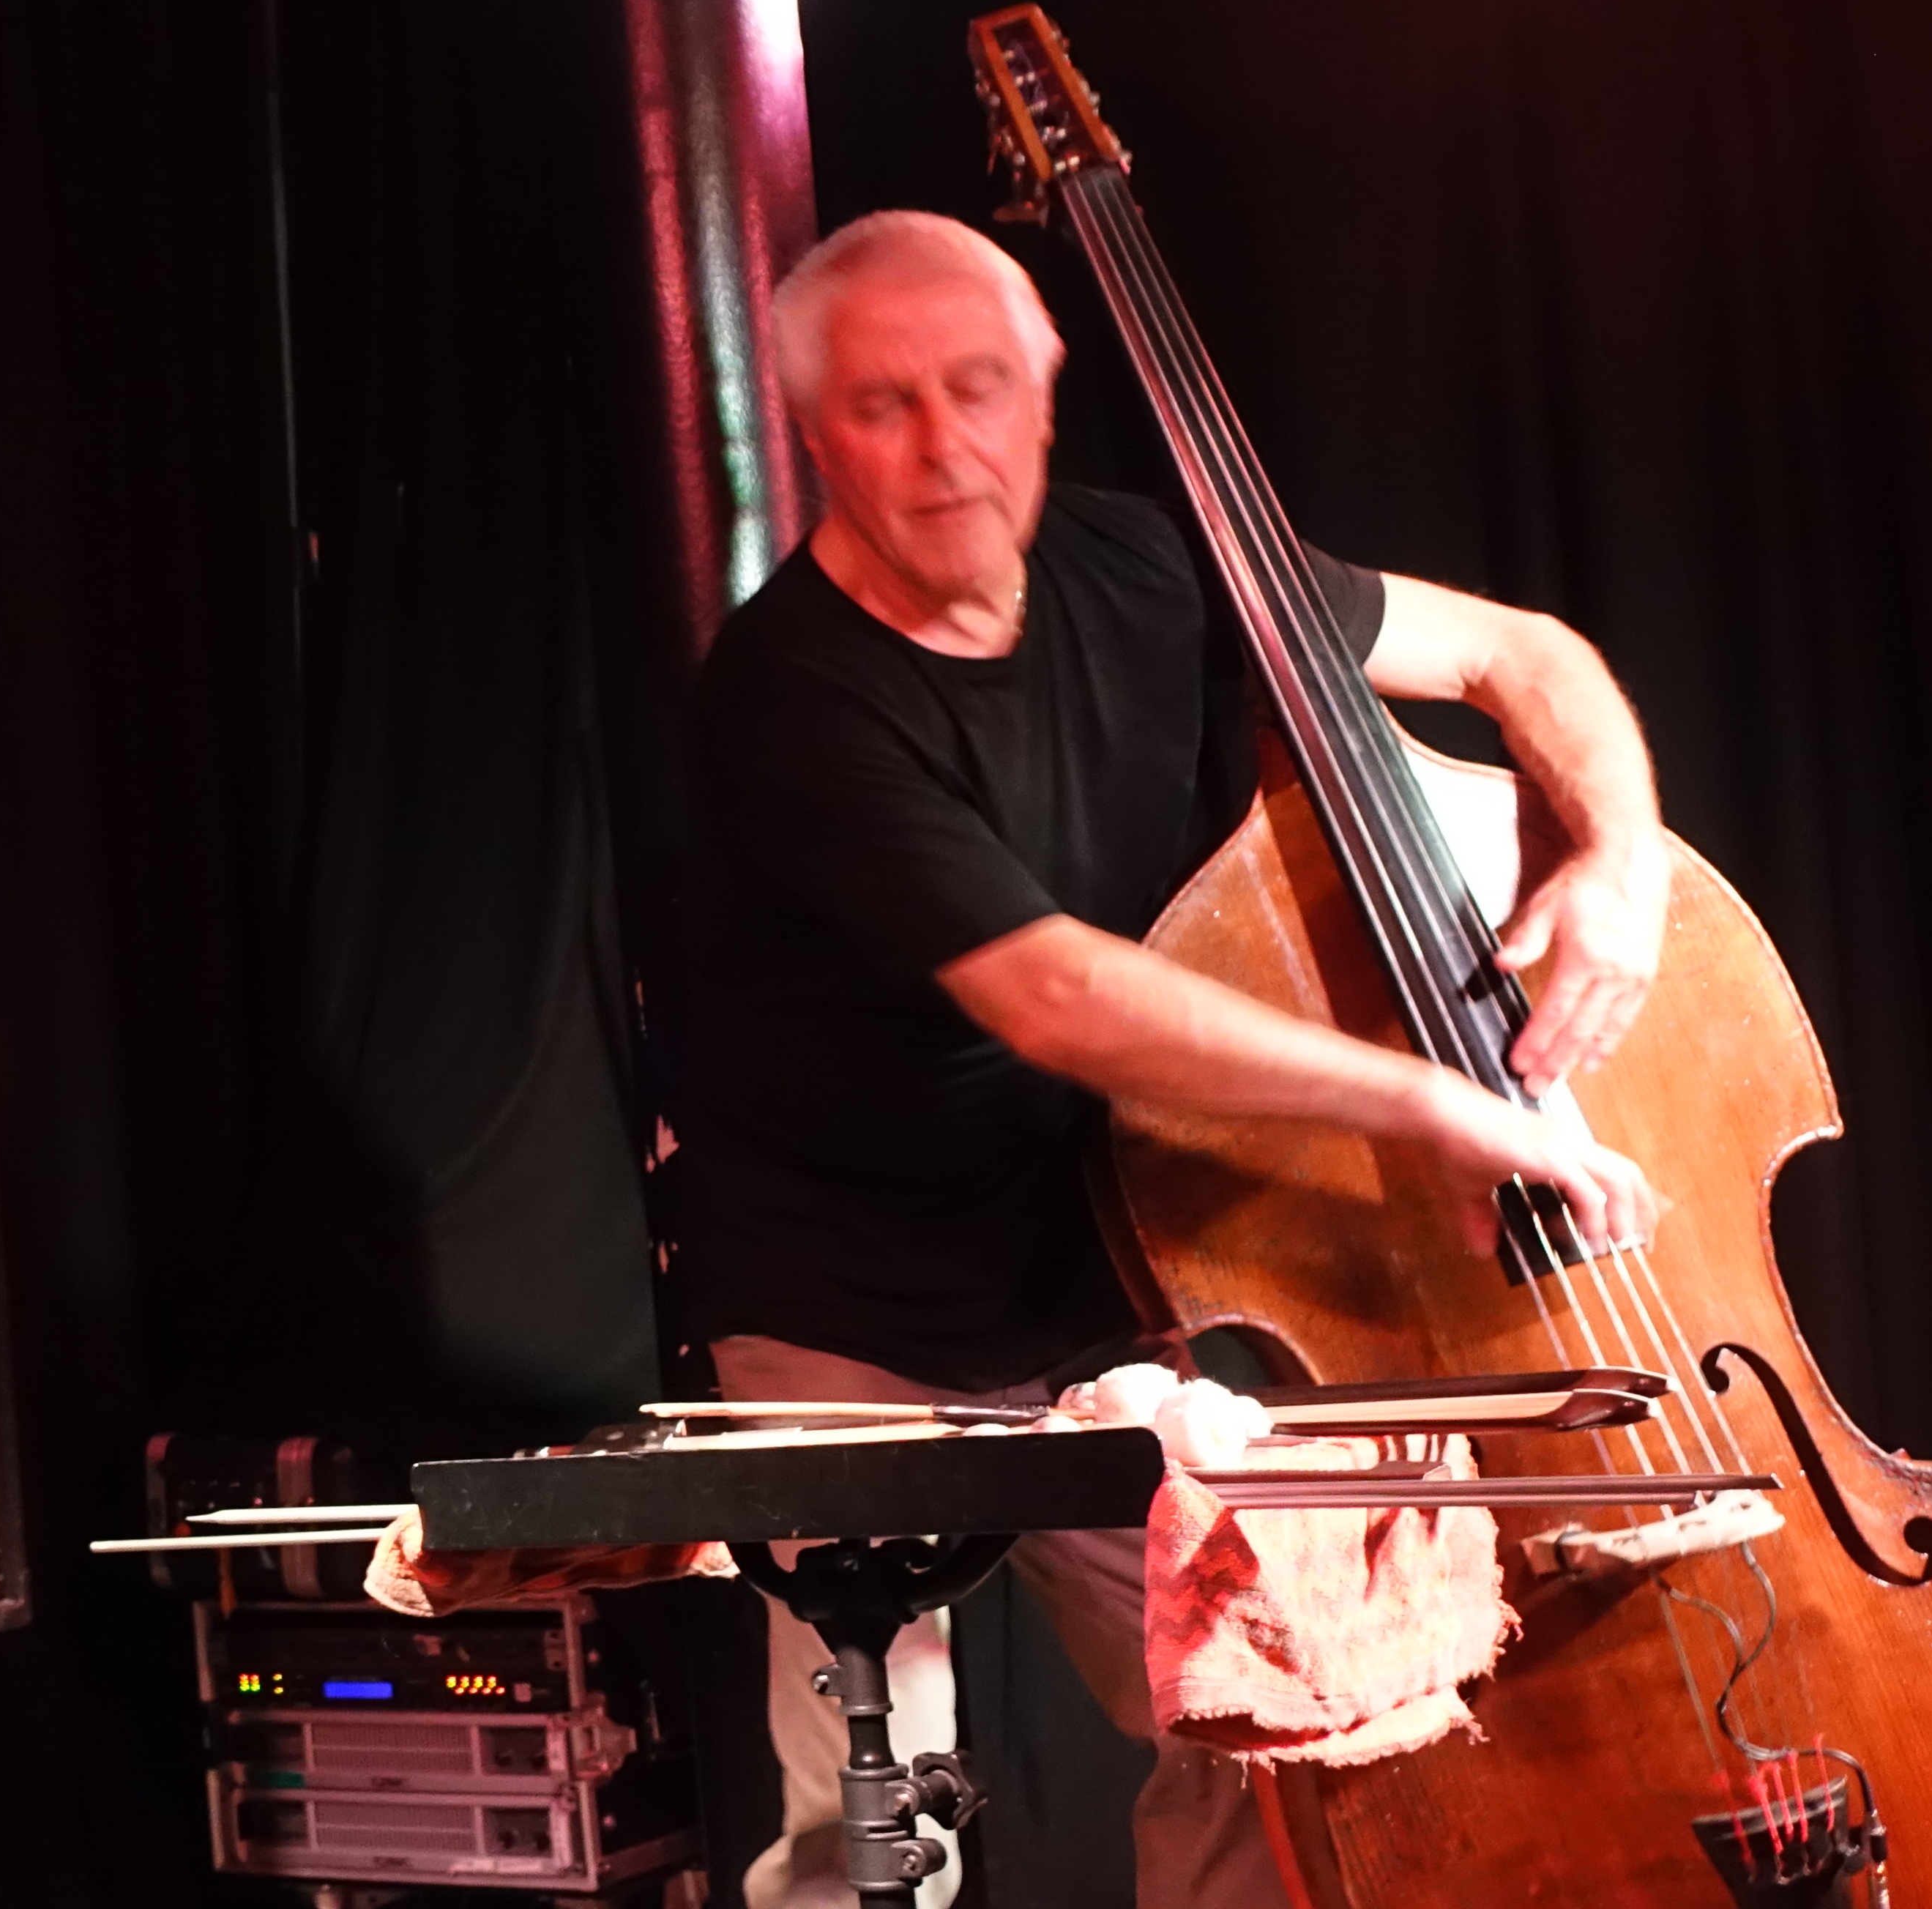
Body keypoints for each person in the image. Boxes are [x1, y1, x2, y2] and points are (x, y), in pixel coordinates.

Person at [674, 209, 1668, 1909]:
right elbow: (1057, 994)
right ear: (808, 430)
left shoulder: (1144, 563)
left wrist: (1620, 860)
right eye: (882, 404)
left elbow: (1522, 654)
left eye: (977, 387)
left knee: (1248, 1746)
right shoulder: (790, 695)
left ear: (1049, 380)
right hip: (847, 1310)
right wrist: (1438, 1100)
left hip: (1093, 1274)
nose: (942, 447)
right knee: (873, 1813)